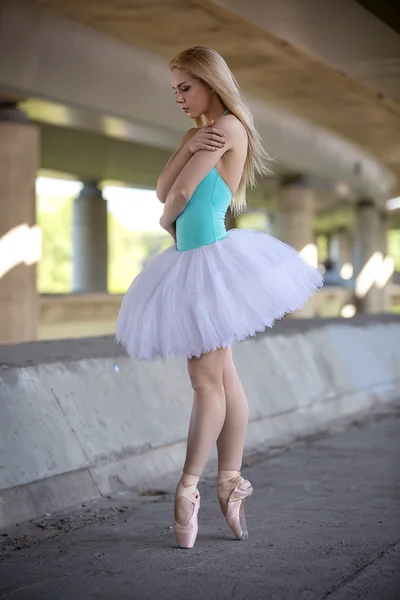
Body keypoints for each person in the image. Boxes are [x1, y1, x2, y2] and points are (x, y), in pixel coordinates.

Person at [116, 46, 323, 549]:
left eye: (186, 87)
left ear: (211, 82)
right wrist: (185, 151)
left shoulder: (227, 127)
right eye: (175, 90)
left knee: (206, 379)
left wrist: (166, 219)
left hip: (207, 257)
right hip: (194, 261)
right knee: (223, 378)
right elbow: (164, 186)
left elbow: (178, 198)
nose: (179, 98)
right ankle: (230, 481)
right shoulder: (199, 134)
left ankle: (188, 488)